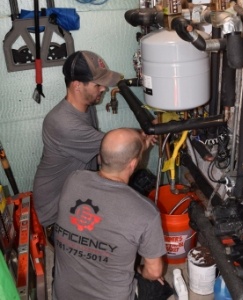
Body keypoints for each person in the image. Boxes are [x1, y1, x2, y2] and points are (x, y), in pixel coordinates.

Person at [53, 128, 167, 300]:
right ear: (133, 164)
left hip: (62, 296)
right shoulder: (145, 212)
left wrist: (140, 143)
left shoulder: (74, 180)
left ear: (100, 156)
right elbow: (154, 271)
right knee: (160, 285)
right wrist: (140, 271)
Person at [33, 50, 134, 231]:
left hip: (79, 192)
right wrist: (145, 134)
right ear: (77, 86)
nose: (104, 88)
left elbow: (100, 153)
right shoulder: (62, 123)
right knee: (125, 230)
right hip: (56, 214)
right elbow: (115, 145)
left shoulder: (86, 106)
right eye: (98, 84)